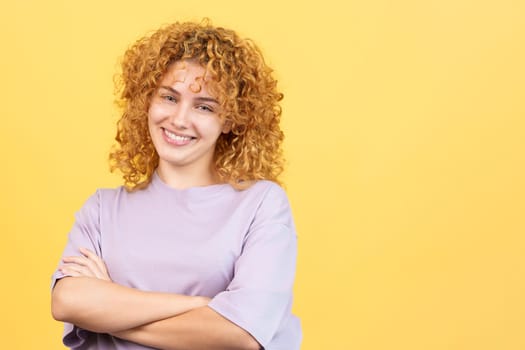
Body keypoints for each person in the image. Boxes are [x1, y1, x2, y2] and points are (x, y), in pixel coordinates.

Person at [50, 19, 301, 350]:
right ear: (147, 101)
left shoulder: (261, 204)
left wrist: (109, 311)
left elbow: (240, 334)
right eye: (169, 97)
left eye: (204, 106)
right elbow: (67, 302)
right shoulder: (102, 209)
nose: (180, 119)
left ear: (230, 119)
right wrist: (206, 305)